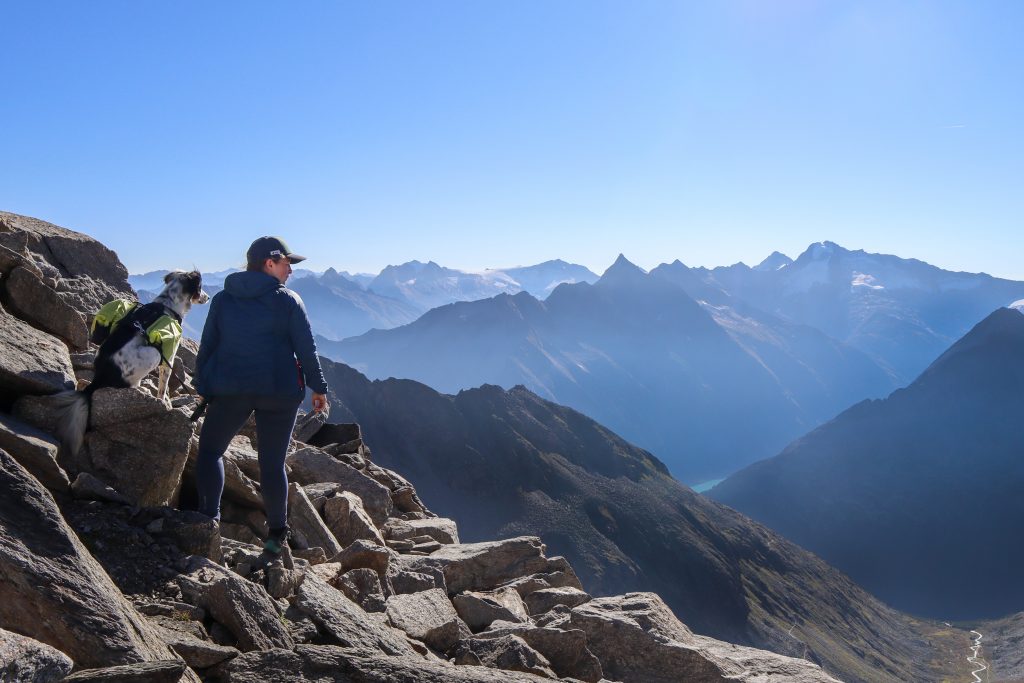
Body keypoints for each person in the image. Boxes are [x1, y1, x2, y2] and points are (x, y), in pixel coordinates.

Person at [194, 236, 329, 566]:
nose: (290, 271)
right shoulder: (289, 301)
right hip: (279, 392)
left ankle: (208, 522)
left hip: (232, 389)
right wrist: (318, 388)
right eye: (287, 263)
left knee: (210, 452)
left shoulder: (224, 299)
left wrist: (203, 384)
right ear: (270, 263)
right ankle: (276, 536)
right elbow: (306, 348)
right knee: (272, 464)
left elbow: (209, 344)